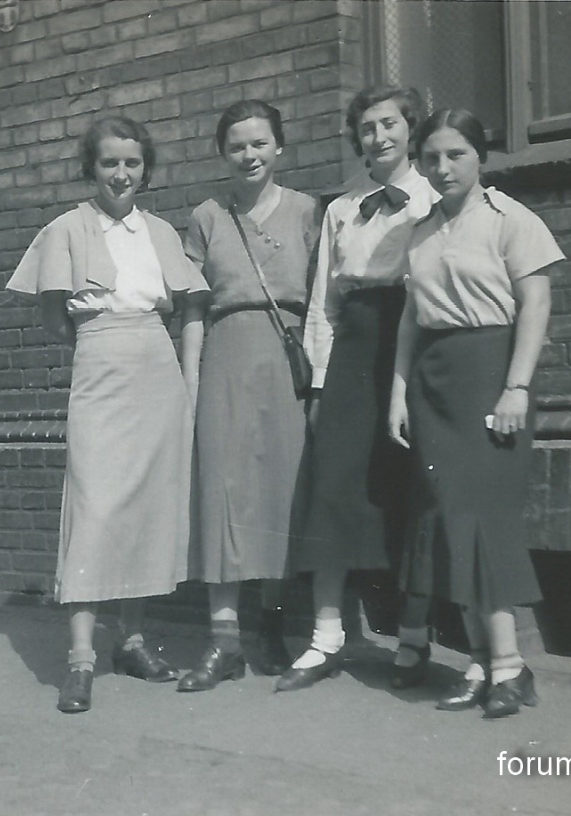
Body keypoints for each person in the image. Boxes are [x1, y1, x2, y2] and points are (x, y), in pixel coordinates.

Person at [6, 115, 209, 713]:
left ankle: (133, 641)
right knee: (93, 509)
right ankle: (80, 659)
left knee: (144, 509)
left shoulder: (161, 232)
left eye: (132, 163)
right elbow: (53, 316)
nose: (121, 174)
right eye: (109, 162)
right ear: (90, 168)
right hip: (98, 366)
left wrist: (183, 380)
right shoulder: (66, 229)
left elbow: (185, 305)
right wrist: (100, 345)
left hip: (156, 371)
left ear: (146, 169)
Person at [388, 108, 562, 718]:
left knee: (482, 517)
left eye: (455, 154)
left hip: (492, 375)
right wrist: (398, 393)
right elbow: (411, 319)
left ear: (480, 156)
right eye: (430, 157)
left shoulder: (512, 219)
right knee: (446, 518)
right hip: (434, 383)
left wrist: (517, 387)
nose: (442, 168)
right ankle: (486, 664)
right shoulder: (418, 231)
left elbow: (536, 303)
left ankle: (508, 665)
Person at [279, 86, 439, 693]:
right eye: (368, 127)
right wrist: (321, 384)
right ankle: (326, 637)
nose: (379, 137)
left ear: (411, 129)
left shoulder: (434, 196)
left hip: (415, 336)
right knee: (334, 484)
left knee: (411, 486)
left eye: (390, 124)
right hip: (354, 346)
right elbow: (324, 301)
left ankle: (414, 638)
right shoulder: (341, 208)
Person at [176, 101, 320, 691]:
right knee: (224, 492)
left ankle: (272, 627)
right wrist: (190, 381)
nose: (249, 155)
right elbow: (192, 307)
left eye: (259, 143)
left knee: (281, 493)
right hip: (226, 357)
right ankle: (224, 641)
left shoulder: (307, 211)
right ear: (222, 153)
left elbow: (323, 300)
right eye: (237, 145)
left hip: (287, 357)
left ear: (278, 147)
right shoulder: (207, 217)